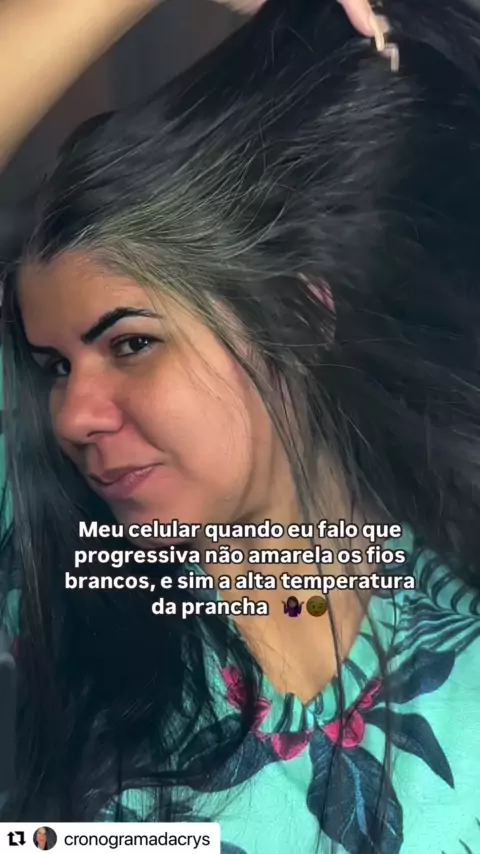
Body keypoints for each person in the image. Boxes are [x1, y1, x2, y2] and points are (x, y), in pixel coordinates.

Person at [1, 1, 480, 853]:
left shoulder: (460, 615)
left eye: (131, 343)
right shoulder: (50, 586)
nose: (73, 415)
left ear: (298, 317)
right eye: (55, 366)